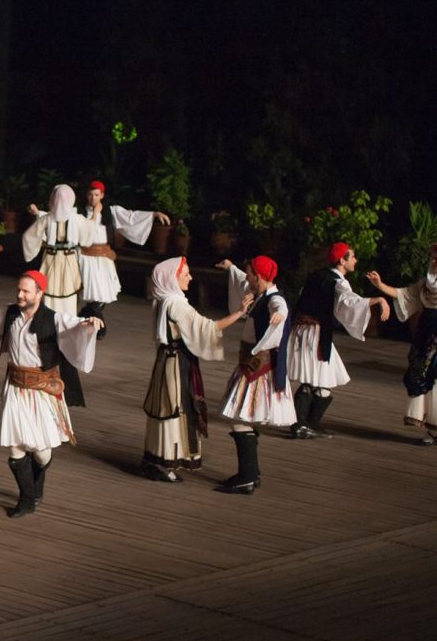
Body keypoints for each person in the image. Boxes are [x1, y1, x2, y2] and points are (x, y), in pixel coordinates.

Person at [0, 271, 101, 519]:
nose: (19, 295)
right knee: (15, 447)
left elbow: (74, 325)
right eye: (18, 290)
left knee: (41, 451)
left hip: (42, 391)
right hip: (15, 387)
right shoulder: (11, 314)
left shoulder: (52, 319)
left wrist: (88, 324)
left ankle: (36, 484)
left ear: (40, 294)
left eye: (26, 291)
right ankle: (27, 498)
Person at [142, 257, 249, 483]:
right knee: (175, 407)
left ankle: (154, 459)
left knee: (165, 407)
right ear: (172, 278)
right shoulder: (176, 304)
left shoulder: (162, 299)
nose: (190, 277)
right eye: (185, 274)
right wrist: (239, 313)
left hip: (166, 360)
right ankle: (164, 462)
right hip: (176, 363)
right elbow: (207, 328)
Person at [367, 241, 437, 446]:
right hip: (426, 333)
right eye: (433, 256)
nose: (434, 260)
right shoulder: (428, 281)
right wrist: (380, 285)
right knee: (422, 374)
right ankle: (428, 423)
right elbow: (406, 294)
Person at [287, 242, 390, 439]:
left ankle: (305, 424)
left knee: (317, 379)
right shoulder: (338, 281)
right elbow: (349, 301)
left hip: (302, 331)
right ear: (342, 260)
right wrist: (378, 300)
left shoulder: (317, 275)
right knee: (319, 380)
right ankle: (304, 424)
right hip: (314, 334)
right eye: (352, 257)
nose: (355, 261)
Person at [214, 255, 293, 494]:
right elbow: (241, 281)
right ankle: (250, 474)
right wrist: (231, 268)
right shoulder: (260, 293)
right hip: (250, 365)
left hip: (257, 369)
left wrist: (280, 315)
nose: (247, 278)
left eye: (250, 274)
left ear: (259, 277)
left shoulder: (274, 299)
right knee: (240, 418)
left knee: (239, 418)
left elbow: (281, 307)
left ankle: (248, 476)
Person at [78, 180, 169, 333]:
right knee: (93, 292)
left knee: (104, 293)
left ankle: (86, 316)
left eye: (96, 195)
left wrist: (154, 214)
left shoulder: (110, 211)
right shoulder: (81, 213)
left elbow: (130, 217)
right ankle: (98, 324)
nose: (93, 198)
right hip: (87, 256)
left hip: (104, 256)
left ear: (102, 196)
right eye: (90, 194)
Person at [23, 184, 94, 317]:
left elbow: (29, 236)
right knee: (66, 293)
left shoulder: (47, 218)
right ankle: (66, 324)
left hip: (52, 259)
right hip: (67, 259)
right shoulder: (77, 219)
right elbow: (87, 239)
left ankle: (50, 322)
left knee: (52, 292)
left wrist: (40, 244)